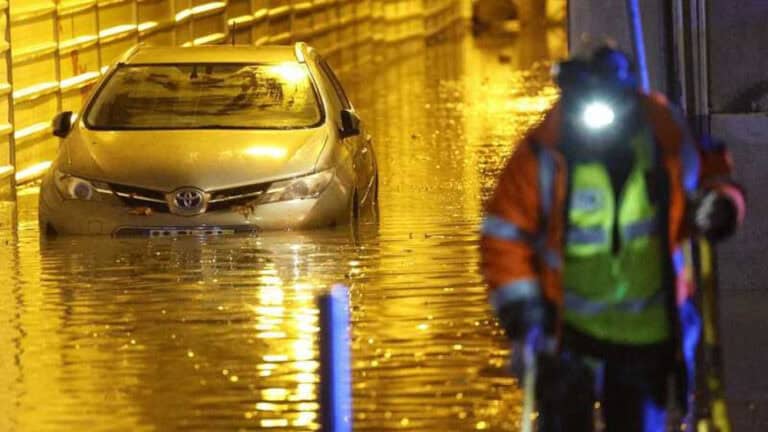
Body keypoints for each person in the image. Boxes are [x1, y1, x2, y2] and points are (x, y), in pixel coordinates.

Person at [480, 45, 746, 432]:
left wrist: (721, 205)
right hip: (567, 337)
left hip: (647, 338)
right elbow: (504, 236)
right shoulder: (546, 150)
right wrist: (524, 317)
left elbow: (713, 173)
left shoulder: (662, 131)